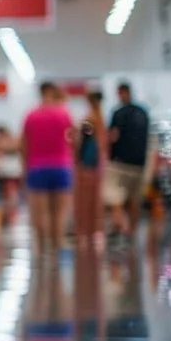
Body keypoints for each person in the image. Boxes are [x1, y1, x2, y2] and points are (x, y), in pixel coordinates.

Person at [21, 81, 75, 255]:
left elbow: (24, 145)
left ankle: (43, 248)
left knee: (41, 212)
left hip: (37, 167)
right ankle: (57, 245)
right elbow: (73, 140)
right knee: (59, 212)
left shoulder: (31, 116)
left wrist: (25, 168)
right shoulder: (64, 114)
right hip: (61, 166)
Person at [106, 81, 150, 243]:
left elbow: (113, 136)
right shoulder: (143, 113)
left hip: (120, 163)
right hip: (139, 163)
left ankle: (119, 232)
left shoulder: (118, 113)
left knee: (115, 198)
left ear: (121, 93)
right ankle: (132, 233)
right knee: (134, 199)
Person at [73, 91, 107, 249]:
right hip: (90, 166)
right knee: (88, 201)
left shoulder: (93, 119)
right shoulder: (93, 120)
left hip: (93, 165)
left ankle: (90, 232)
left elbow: (82, 144)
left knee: (91, 201)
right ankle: (86, 233)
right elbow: (85, 145)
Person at [0, 124, 22, 203]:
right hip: (13, 170)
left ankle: (11, 208)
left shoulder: (1, 141)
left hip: (9, 171)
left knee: (9, 191)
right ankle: (11, 208)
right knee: (10, 191)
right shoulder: (14, 140)